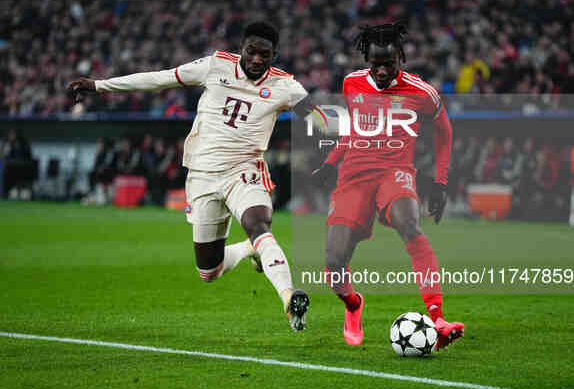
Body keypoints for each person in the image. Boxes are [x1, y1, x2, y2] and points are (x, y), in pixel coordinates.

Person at [67, 22, 312, 331]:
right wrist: (99, 85)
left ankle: (289, 299)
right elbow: (160, 79)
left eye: (265, 54)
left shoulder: (285, 86)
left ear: (275, 54)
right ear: (242, 48)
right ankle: (250, 250)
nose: (257, 60)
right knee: (209, 271)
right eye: (251, 52)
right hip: (202, 175)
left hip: (245, 170)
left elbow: (320, 117)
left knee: (258, 224)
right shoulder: (215, 65)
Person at [312, 22, 464, 347]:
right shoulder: (352, 83)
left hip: (395, 172)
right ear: (367, 59)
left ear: (401, 59)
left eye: (389, 64)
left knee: (410, 225)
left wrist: (440, 183)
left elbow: (445, 133)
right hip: (354, 176)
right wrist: (330, 162)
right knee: (334, 261)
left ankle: (436, 318)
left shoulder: (422, 93)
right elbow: (355, 128)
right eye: (375, 64)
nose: (381, 71)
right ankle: (353, 304)